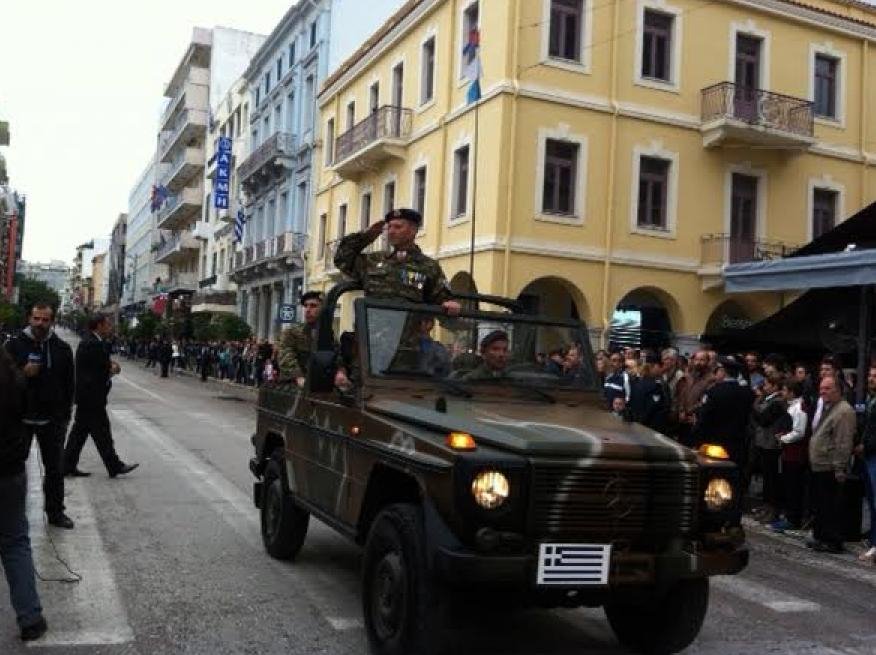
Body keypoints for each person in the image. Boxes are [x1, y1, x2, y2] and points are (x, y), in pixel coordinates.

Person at [4, 303, 76, 528]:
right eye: (36, 318)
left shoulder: (62, 348)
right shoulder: (13, 346)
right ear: (29, 318)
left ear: (51, 321)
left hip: (52, 419)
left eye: (45, 320)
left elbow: (69, 385)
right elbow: (4, 382)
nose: (40, 324)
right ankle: (11, 514)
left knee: (55, 468)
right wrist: (22, 373)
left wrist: (65, 415)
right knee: (12, 469)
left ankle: (55, 512)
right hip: (20, 419)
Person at [0, 348, 48, 642]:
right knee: (15, 543)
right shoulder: (11, 375)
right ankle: (30, 617)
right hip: (8, 469)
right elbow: (24, 414)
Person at [334, 207, 461, 316]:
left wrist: (451, 305)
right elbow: (342, 259)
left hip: (408, 335)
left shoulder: (428, 267)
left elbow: (444, 302)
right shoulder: (373, 261)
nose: (391, 231)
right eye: (389, 227)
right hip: (370, 334)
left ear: (413, 231)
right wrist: (366, 236)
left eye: (398, 227)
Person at [63, 314, 139, 479]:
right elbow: (99, 370)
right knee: (102, 433)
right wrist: (113, 369)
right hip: (92, 398)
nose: (109, 327)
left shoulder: (90, 341)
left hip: (87, 397)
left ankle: (67, 465)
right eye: (107, 324)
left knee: (80, 433)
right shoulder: (93, 344)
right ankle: (114, 466)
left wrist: (108, 368)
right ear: (99, 325)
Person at [807, 375, 857, 553]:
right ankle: (821, 536)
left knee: (831, 506)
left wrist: (839, 467)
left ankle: (833, 540)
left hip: (830, 466)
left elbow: (843, 442)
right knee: (822, 504)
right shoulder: (830, 408)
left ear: (838, 390)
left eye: (827, 388)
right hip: (820, 465)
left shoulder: (844, 411)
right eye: (821, 388)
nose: (823, 392)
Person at [692, 356, 753, 468]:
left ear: (723, 371)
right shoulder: (747, 392)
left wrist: (696, 437)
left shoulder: (714, 392)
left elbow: (705, 417)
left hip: (715, 443)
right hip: (738, 443)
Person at [769, 379, 809, 532]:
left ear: (792, 392)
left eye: (785, 390)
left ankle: (793, 519)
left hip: (796, 454)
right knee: (788, 485)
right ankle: (789, 516)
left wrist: (783, 438)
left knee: (794, 486)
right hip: (788, 453)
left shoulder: (799, 408)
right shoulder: (792, 406)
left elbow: (799, 432)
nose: (782, 393)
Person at [750, 374, 789, 524]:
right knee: (766, 478)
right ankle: (766, 506)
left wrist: (754, 403)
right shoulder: (768, 399)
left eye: (767, 384)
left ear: (774, 387)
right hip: (763, 443)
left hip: (772, 444)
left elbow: (763, 419)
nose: (764, 387)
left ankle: (773, 509)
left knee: (772, 479)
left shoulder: (777, 402)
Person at [277, 291, 324, 387]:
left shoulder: (328, 335)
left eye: (313, 306)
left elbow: (336, 357)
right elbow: (285, 355)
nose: (308, 310)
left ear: (323, 309)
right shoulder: (292, 332)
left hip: (320, 385)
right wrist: (298, 376)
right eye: (306, 306)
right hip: (293, 385)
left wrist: (340, 372)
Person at [855, 365, 876, 564]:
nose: (871, 379)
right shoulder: (869, 400)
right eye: (870, 375)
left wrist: (866, 445)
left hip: (873, 455)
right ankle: (873, 541)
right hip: (868, 456)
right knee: (871, 501)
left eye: (874, 376)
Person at [628, 352, 669, 433]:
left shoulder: (636, 382)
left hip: (636, 426)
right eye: (660, 366)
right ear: (654, 366)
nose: (662, 369)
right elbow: (653, 410)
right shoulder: (655, 387)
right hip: (650, 429)